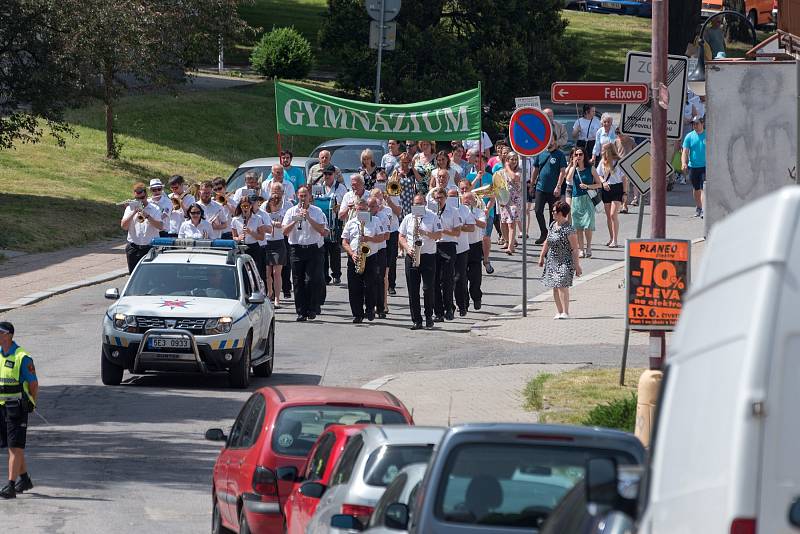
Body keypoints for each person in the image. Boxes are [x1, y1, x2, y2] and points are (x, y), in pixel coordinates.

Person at [0, 322, 38, 499]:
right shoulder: (0, 354)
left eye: (0, 332)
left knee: (15, 446)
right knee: (11, 445)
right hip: (2, 406)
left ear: (9, 335)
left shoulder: (22, 357)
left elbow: (33, 383)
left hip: (17, 407)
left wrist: (32, 402)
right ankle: (24, 479)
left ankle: (10, 486)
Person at [283, 185, 329, 321]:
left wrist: (308, 218)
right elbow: (285, 231)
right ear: (297, 196)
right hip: (296, 249)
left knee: (312, 280)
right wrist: (296, 220)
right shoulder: (291, 211)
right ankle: (301, 311)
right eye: (301, 196)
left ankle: (312, 308)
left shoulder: (317, 211)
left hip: (314, 249)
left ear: (310, 197)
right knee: (298, 281)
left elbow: (323, 231)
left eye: (305, 196)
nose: (303, 198)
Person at [398, 194, 443, 330]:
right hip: (412, 255)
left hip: (428, 255)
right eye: (416, 204)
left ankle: (429, 316)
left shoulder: (432, 216)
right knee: (413, 290)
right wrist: (407, 248)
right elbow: (401, 236)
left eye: (420, 204)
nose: (418, 206)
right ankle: (416, 320)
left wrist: (425, 233)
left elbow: (439, 235)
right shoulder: (408, 218)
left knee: (428, 288)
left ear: (425, 203)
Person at [341, 199, 383, 324]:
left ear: (368, 209)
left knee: (371, 286)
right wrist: (352, 253)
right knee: (354, 287)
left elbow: (382, 237)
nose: (361, 211)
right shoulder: (351, 223)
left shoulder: (375, 221)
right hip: (355, 257)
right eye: (359, 209)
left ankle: (370, 309)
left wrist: (369, 238)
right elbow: (344, 241)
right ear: (356, 210)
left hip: (371, 257)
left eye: (364, 209)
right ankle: (357, 314)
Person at [538, 201, 582, 319]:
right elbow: (547, 241)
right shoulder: (553, 225)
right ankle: (559, 311)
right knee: (555, 286)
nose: (552, 213)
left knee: (562, 285)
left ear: (561, 213)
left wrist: (577, 266)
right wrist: (542, 256)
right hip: (552, 260)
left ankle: (565, 312)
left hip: (565, 260)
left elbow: (574, 249)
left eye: (554, 211)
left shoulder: (569, 229)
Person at [565, 149, 603, 258]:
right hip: (576, 199)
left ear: (584, 155)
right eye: (576, 155)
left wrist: (588, 186)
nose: (578, 156)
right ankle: (581, 249)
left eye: (580, 154)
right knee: (578, 227)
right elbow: (568, 179)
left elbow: (599, 184)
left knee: (588, 225)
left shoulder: (590, 168)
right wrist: (573, 165)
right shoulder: (574, 169)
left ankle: (589, 247)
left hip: (588, 199)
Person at [433, 187, 462, 321]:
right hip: (434, 246)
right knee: (435, 281)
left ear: (445, 198)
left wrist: (443, 231)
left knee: (447, 280)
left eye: (440, 198)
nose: (438, 200)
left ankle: (449, 308)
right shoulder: (431, 212)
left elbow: (457, 232)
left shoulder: (453, 211)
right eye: (436, 198)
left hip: (448, 246)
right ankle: (438, 311)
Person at [530, 140, 568, 245]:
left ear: (555, 142)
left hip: (553, 190)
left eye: (552, 140)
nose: (550, 142)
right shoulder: (541, 153)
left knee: (554, 213)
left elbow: (562, 172)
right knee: (537, 211)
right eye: (548, 140)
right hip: (540, 188)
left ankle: (551, 236)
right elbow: (535, 169)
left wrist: (558, 186)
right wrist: (532, 184)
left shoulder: (560, 154)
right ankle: (544, 232)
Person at [121, 182, 163, 273]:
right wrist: (133, 213)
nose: (140, 201)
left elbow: (160, 226)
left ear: (146, 195)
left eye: (142, 198)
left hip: (150, 248)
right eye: (137, 198)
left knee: (151, 275)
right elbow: (124, 226)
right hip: (134, 248)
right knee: (134, 275)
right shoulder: (129, 209)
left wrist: (148, 216)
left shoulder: (155, 208)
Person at [465, 155, 495, 274]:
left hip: (487, 211)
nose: (477, 164)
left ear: (485, 163)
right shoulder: (470, 176)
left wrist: (488, 208)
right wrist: (477, 178)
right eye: (476, 162)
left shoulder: (490, 177)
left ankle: (486, 260)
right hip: (472, 211)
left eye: (480, 162)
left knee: (486, 237)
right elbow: (466, 192)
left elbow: (493, 196)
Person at [318, 165, 347, 285]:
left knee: (334, 250)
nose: (327, 176)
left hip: (336, 222)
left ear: (334, 175)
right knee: (323, 250)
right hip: (322, 222)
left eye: (329, 174)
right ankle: (324, 276)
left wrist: (338, 208)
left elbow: (345, 204)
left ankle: (336, 274)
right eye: (325, 174)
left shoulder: (341, 188)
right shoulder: (318, 187)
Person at [597, 143, 628, 248]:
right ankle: (611, 238)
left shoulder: (619, 162)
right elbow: (599, 175)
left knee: (613, 215)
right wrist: (603, 182)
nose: (601, 152)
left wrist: (625, 193)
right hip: (606, 189)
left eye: (603, 150)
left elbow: (624, 179)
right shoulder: (602, 162)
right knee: (608, 216)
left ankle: (615, 240)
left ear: (608, 151)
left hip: (617, 188)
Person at [261, 186, 288, 307]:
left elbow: (284, 225)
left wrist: (280, 224)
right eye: (274, 203)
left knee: (277, 272)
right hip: (267, 242)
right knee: (267, 273)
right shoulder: (264, 212)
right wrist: (271, 223)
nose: (276, 205)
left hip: (278, 242)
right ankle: (269, 292)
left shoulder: (283, 211)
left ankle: (277, 298)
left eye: (278, 203)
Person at [373, 182, 401, 298]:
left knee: (391, 260)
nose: (379, 199)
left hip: (391, 232)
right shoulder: (372, 207)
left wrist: (388, 201)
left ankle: (391, 285)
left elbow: (398, 212)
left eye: (380, 196)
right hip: (376, 235)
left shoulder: (388, 207)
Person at [450, 189, 475, 316]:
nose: (452, 199)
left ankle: (462, 304)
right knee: (446, 279)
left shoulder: (464, 210)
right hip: (446, 248)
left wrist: (460, 227)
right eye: (450, 196)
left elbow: (472, 227)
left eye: (454, 196)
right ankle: (449, 306)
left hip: (462, 248)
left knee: (460, 278)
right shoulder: (441, 210)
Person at [231, 194, 268, 276]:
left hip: (254, 248)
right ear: (240, 207)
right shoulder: (235, 220)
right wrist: (239, 238)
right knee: (243, 273)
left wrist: (251, 232)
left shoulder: (258, 218)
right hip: (241, 247)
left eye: (247, 206)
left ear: (251, 206)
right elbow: (234, 237)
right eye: (243, 206)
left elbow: (262, 237)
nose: (245, 208)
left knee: (256, 272)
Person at [461, 191, 487, 310]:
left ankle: (476, 297)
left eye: (469, 199)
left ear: (474, 201)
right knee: (461, 277)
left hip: (475, 246)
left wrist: (472, 217)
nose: (467, 201)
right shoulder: (458, 213)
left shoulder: (479, 212)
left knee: (475, 276)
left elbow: (483, 225)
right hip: (462, 246)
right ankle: (463, 303)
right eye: (465, 199)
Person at [497, 151, 523, 255]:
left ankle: (511, 247)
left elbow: (514, 178)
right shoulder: (501, 172)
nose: (514, 161)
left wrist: (507, 167)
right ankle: (508, 241)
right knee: (503, 223)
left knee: (511, 224)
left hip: (514, 201)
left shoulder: (519, 171)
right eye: (511, 159)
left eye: (515, 159)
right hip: (504, 200)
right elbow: (498, 185)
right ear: (507, 160)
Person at [682, 116, 706, 218]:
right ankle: (698, 207)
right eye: (694, 124)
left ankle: (705, 209)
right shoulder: (689, 136)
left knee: (703, 188)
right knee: (696, 188)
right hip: (694, 166)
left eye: (697, 123)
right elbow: (685, 151)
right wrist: (684, 163)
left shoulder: (708, 135)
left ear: (702, 124)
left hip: (706, 166)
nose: (695, 125)